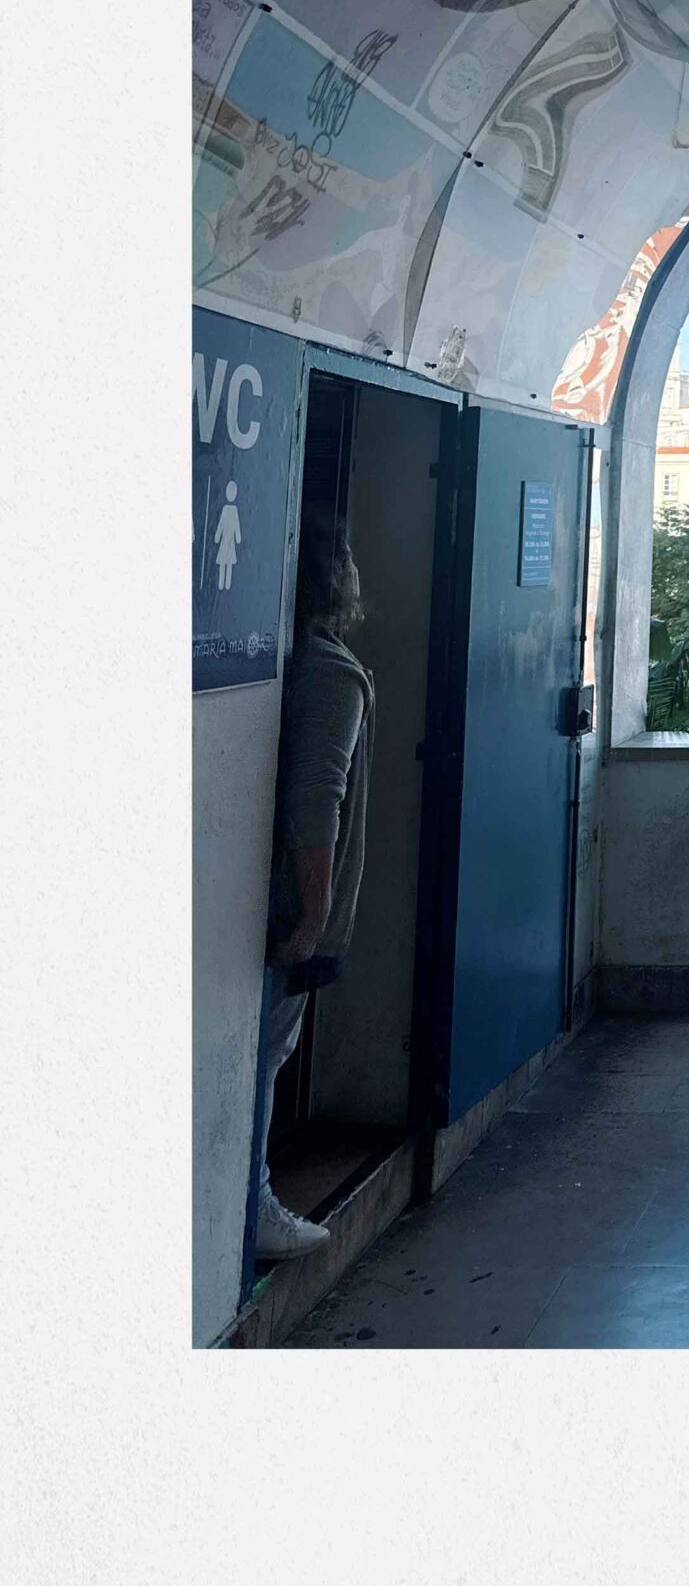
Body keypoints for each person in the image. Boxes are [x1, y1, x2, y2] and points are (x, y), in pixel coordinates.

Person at [252, 513, 375, 1260]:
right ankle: (253, 1207)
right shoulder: (332, 673)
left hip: (260, 894)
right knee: (268, 1051)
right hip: (283, 906)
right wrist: (316, 911)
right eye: (349, 560)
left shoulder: (292, 660)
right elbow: (317, 794)